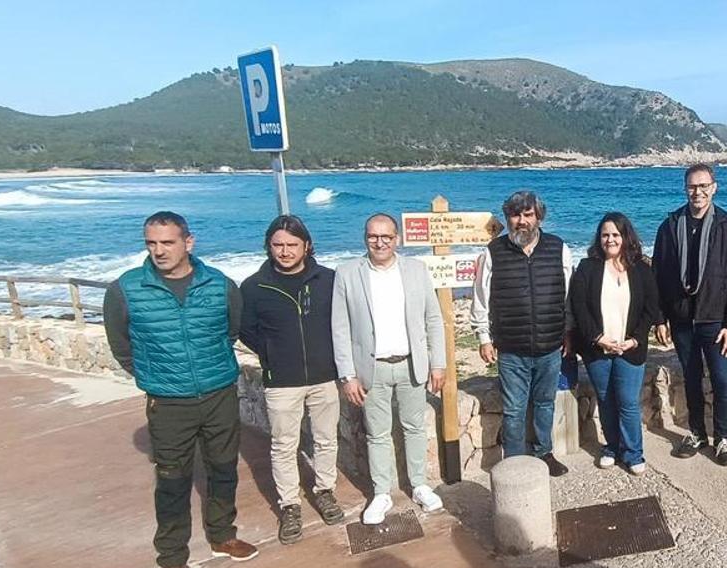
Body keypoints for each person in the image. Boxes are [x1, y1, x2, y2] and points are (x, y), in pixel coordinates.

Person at [103, 211, 257, 568]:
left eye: (167, 242)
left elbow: (231, 330)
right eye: (151, 243)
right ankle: (172, 561)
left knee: (223, 468)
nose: (159, 251)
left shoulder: (220, 285)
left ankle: (223, 535)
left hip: (219, 391)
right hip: (168, 402)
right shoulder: (126, 290)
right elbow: (122, 347)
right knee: (172, 481)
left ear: (189, 242)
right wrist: (155, 377)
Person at [332, 213, 447, 524]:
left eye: (386, 236)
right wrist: (348, 375)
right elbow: (339, 328)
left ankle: (420, 485)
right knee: (377, 433)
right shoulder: (346, 274)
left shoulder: (416, 270)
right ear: (365, 238)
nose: (380, 242)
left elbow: (433, 319)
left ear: (397, 239)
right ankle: (382, 493)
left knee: (414, 427)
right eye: (373, 236)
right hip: (372, 368)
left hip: (411, 364)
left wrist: (438, 363)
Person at [240, 215, 343, 545]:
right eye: (278, 244)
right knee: (284, 446)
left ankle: (325, 490)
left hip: (325, 375)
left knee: (326, 439)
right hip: (282, 380)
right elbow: (247, 330)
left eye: (291, 244)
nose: (284, 251)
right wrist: (271, 354)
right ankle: (290, 506)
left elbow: (341, 323)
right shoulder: (254, 287)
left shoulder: (328, 280)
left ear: (307, 245)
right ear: (269, 246)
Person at [471, 191, 573, 477]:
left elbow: (567, 296)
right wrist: (483, 337)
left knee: (544, 403)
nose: (522, 221)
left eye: (528, 215)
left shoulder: (558, 248)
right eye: (516, 215)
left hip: (550, 346)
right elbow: (481, 297)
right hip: (511, 348)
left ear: (538, 217)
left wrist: (568, 332)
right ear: (507, 219)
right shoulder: (492, 252)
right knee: (514, 409)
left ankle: (544, 453)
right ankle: (514, 461)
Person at [652, 163, 727, 466]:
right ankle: (696, 433)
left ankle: (722, 438)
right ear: (685, 188)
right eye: (692, 186)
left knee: (721, 380)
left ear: (714, 188)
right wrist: (659, 318)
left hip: (716, 320)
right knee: (691, 377)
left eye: (704, 186)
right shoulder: (670, 225)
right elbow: (659, 274)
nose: (698, 192)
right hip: (681, 319)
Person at [570, 212, 661, 474]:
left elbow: (650, 309)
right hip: (597, 349)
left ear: (625, 237)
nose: (610, 239)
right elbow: (579, 308)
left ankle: (633, 453)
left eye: (615, 234)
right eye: (605, 235)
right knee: (607, 399)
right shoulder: (588, 267)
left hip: (630, 349)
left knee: (628, 402)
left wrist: (634, 339)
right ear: (599, 239)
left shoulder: (642, 268)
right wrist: (599, 338)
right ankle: (611, 447)